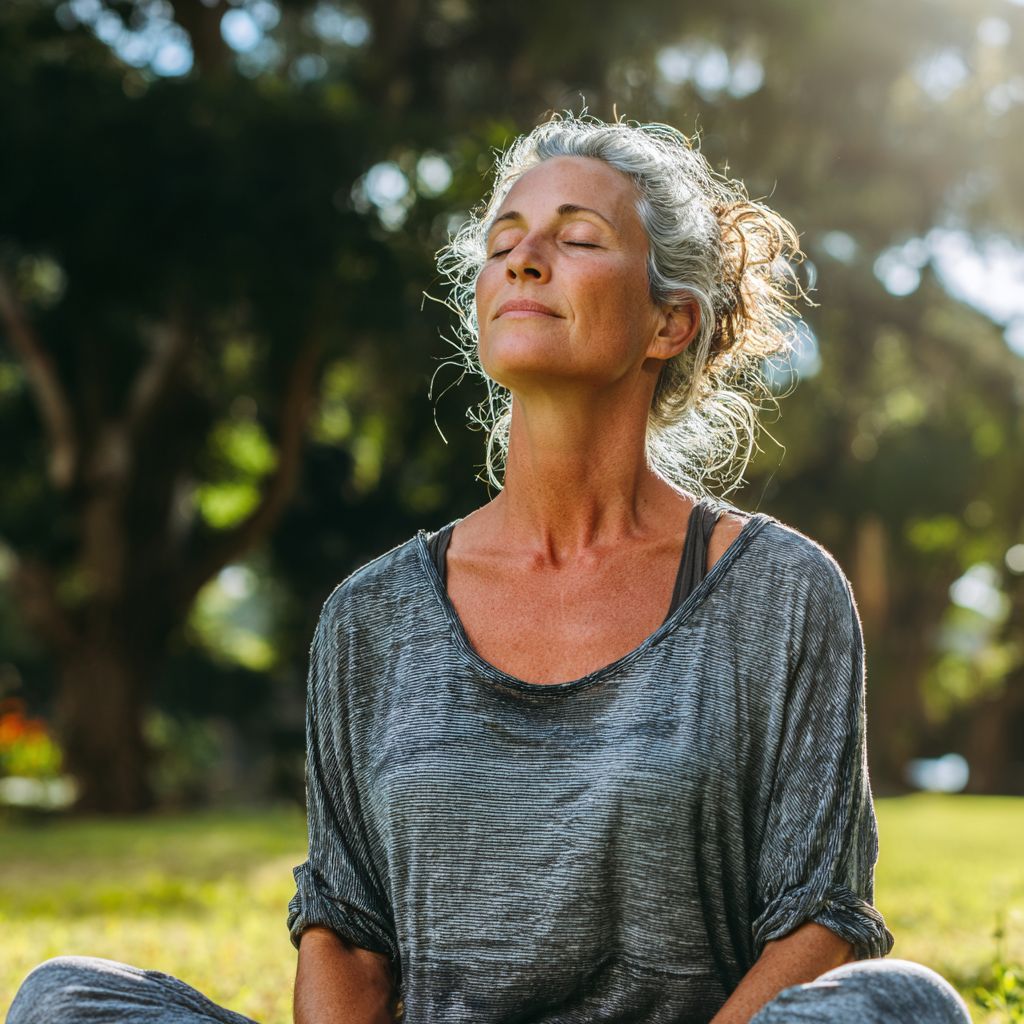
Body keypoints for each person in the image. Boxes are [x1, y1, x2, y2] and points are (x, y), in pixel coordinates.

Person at [7, 117, 971, 1024]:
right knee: (67, 999)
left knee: (903, 1005)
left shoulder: (777, 589)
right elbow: (347, 934)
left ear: (669, 323)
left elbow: (822, 922)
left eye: (579, 237)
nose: (523, 255)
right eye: (505, 236)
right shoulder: (371, 614)